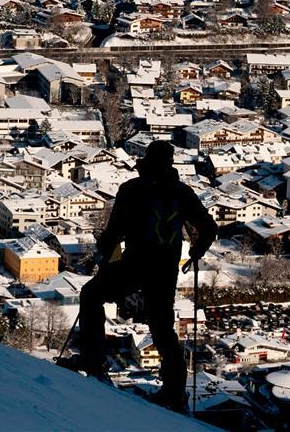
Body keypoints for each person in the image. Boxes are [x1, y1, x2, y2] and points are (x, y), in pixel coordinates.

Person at [69, 140, 217, 413]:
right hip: (164, 270)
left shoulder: (132, 190)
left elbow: (114, 232)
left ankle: (93, 361)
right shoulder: (182, 193)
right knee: (162, 328)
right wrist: (197, 250)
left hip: (134, 264)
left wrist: (107, 258)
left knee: (92, 295)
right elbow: (209, 227)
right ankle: (174, 390)